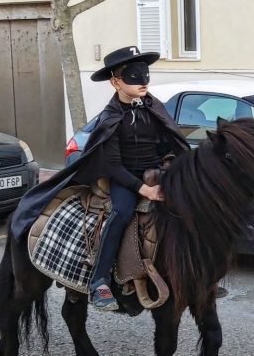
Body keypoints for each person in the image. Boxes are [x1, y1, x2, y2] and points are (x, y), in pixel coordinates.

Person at [11, 46, 190, 310]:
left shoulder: (154, 108)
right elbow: (114, 166)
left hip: (156, 173)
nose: (143, 81)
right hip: (124, 179)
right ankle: (99, 281)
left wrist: (174, 167)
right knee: (121, 212)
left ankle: (193, 272)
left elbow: (168, 144)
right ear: (116, 82)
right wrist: (145, 190)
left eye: (145, 74)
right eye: (134, 75)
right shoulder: (110, 118)